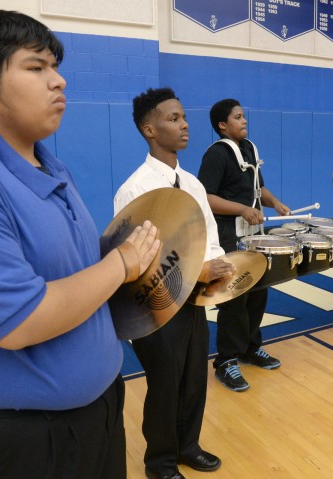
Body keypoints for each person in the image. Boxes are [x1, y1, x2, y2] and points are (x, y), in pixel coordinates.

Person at [0, 9, 160, 479]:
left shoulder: (51, 168)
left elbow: (79, 276)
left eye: (56, 67)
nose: (58, 81)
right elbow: (19, 320)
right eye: (36, 67)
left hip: (92, 413)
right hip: (15, 439)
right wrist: (122, 262)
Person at [113, 88, 234, 479]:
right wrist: (192, 271)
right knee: (165, 383)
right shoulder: (135, 189)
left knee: (194, 376)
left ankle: (188, 446)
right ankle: (160, 462)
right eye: (173, 119)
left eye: (184, 117)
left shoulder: (194, 184)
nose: (184, 125)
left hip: (194, 299)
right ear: (149, 129)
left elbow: (209, 237)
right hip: (155, 305)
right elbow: (138, 259)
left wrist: (220, 266)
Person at [197, 98, 290, 392]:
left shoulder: (248, 149)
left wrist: (274, 202)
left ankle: (251, 348)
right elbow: (206, 197)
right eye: (237, 117)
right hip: (228, 234)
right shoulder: (217, 154)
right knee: (235, 297)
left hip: (254, 232)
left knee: (258, 292)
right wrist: (240, 209)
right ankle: (226, 361)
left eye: (244, 116)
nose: (244, 120)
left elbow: (256, 189)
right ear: (222, 125)